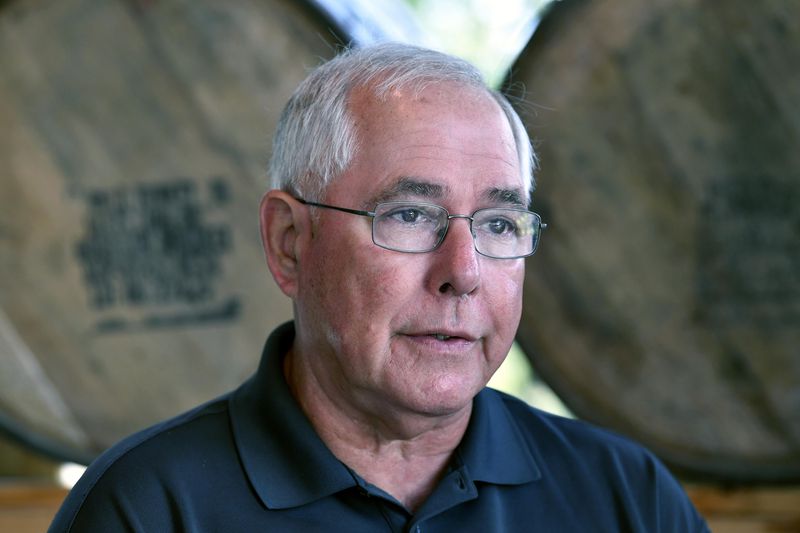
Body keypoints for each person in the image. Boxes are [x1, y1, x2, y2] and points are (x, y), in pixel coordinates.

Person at [50, 42, 709, 532]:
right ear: (289, 241)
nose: (464, 270)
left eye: (500, 223)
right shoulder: (145, 508)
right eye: (410, 215)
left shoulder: (627, 498)